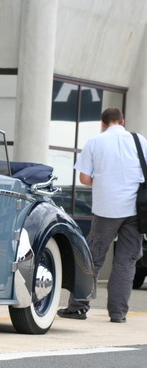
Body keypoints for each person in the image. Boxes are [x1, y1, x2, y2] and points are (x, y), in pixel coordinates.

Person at [58, 107, 147, 323]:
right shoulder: (140, 140)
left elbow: (84, 179)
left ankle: (78, 307)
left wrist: (103, 180)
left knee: (93, 258)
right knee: (126, 262)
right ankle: (118, 314)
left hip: (107, 209)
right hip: (136, 209)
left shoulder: (95, 142)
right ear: (122, 121)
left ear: (103, 122)